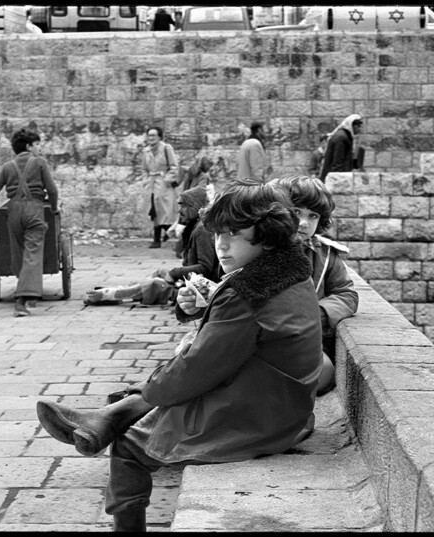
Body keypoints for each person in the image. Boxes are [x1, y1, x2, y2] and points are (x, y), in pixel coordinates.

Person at [37, 180, 322, 531]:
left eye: (233, 235)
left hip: (260, 417)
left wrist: (153, 387)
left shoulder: (249, 293)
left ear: (267, 234)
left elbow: (196, 369)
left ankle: (124, 506)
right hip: (283, 403)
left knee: (130, 443)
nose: (221, 246)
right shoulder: (290, 271)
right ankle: (106, 418)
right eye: (218, 234)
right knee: (165, 388)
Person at [271, 176, 359, 395]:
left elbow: (346, 294)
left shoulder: (325, 254)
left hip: (303, 341)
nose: (304, 223)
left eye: (313, 216)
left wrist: (318, 312)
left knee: (323, 373)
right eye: (296, 212)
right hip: (264, 338)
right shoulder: (264, 246)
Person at [84, 186, 218, 306]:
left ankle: (112, 295)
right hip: (192, 281)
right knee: (160, 274)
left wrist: (175, 273)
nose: (180, 211)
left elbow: (205, 267)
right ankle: (126, 292)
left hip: (203, 288)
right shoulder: (194, 227)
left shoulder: (202, 230)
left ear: (194, 206)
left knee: (157, 285)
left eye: (184, 206)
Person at [0, 127, 59, 317]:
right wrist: (54, 208)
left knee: (18, 252)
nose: (39, 149)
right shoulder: (40, 163)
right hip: (34, 209)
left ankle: (26, 289)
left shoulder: (8, 166)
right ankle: (22, 300)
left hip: (13, 212)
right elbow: (52, 190)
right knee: (33, 253)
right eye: (37, 145)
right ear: (28, 146)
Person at [140, 126, 178, 249]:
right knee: (154, 212)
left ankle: (172, 234)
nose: (151, 138)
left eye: (153, 135)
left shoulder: (167, 148)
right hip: (150, 184)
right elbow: (144, 168)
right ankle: (158, 238)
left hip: (163, 184)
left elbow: (174, 166)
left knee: (164, 212)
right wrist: (145, 180)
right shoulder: (146, 151)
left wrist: (167, 179)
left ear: (159, 136)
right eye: (149, 135)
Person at [319, 114, 363, 182]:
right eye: (358, 126)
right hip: (334, 179)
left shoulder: (345, 136)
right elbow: (337, 162)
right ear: (352, 125)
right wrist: (337, 180)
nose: (359, 129)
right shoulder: (342, 138)